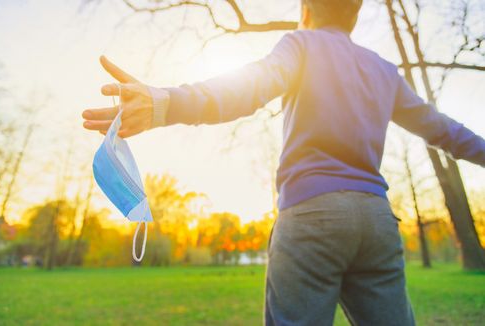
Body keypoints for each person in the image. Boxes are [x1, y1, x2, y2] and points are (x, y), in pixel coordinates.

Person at [82, 0, 485, 324]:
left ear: (306, 10)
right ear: (355, 14)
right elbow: (444, 130)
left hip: (312, 217)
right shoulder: (383, 71)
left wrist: (167, 104)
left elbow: (249, 87)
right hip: (376, 222)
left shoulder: (301, 45)